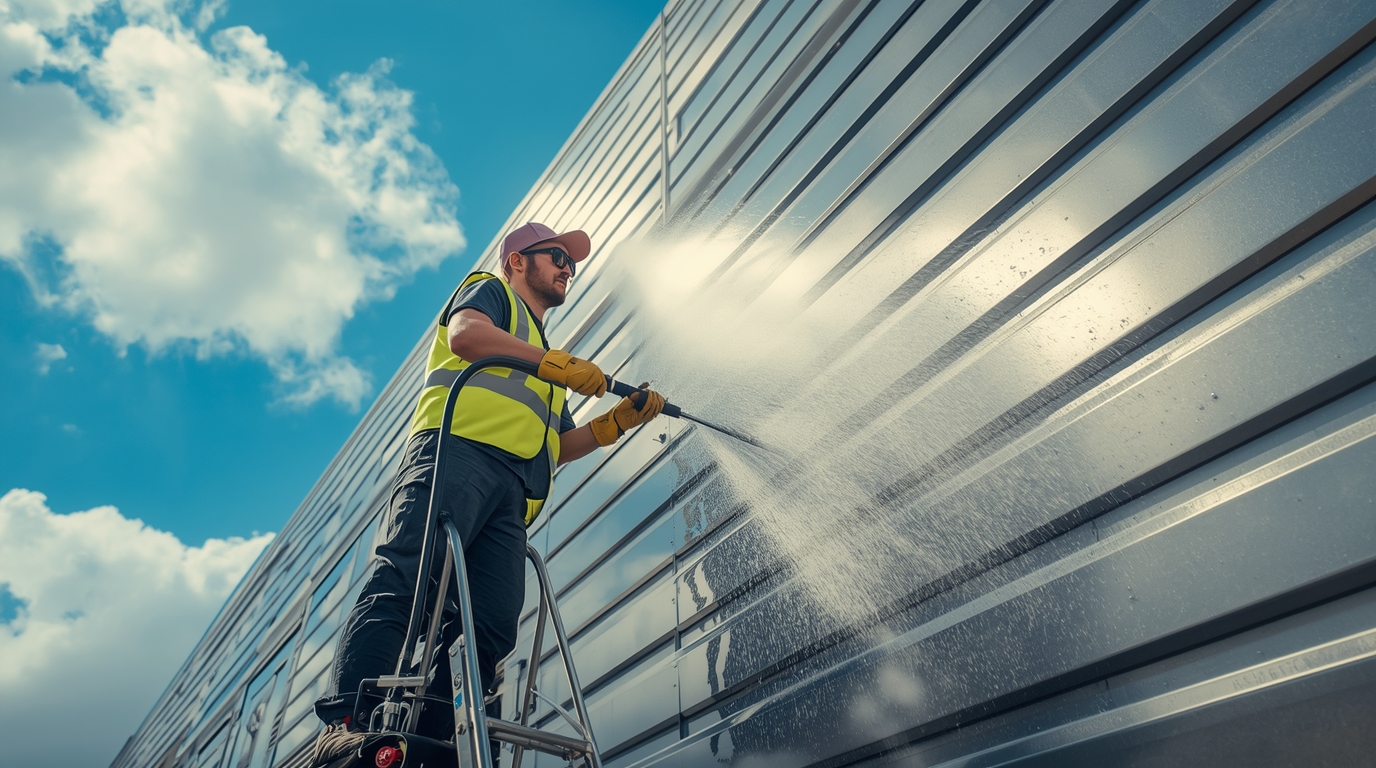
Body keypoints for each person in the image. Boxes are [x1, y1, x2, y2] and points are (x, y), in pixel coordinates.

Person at [310, 222, 665, 765]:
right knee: (407, 579)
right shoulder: (491, 291)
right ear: (518, 260)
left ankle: (441, 740)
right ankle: (346, 725)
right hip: (456, 453)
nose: (567, 268)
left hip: (511, 494)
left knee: (492, 626)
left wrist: (616, 421)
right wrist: (551, 364)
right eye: (557, 256)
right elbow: (466, 336)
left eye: (571, 263)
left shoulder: (545, 359)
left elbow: (558, 445)